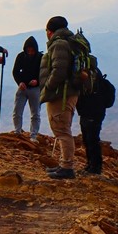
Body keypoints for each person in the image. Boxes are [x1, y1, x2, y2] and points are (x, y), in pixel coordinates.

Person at [38, 16, 78, 179]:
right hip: (68, 93)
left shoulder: (59, 44)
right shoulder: (69, 42)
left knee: (62, 130)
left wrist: (48, 87)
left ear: (50, 31)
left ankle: (67, 167)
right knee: (63, 129)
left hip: (60, 94)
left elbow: (59, 70)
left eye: (47, 30)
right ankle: (63, 165)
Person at [76, 71, 113, 175]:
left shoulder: (91, 82)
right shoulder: (100, 81)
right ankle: (92, 165)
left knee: (91, 141)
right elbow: (108, 102)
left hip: (89, 114)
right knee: (90, 140)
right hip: (95, 114)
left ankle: (95, 167)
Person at [11, 35, 42, 140]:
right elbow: (15, 71)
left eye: (32, 50)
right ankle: (17, 131)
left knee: (35, 113)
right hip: (22, 88)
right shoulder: (21, 56)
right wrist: (19, 82)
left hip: (35, 89)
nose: (30, 52)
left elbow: (43, 74)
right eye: (28, 50)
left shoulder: (40, 58)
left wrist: (37, 81)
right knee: (17, 111)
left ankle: (33, 135)